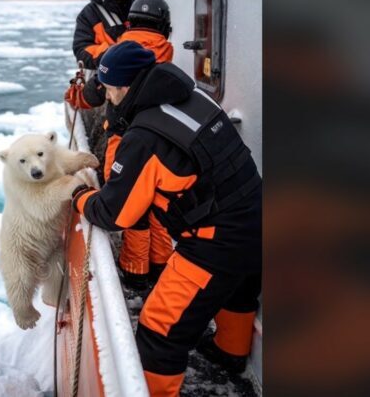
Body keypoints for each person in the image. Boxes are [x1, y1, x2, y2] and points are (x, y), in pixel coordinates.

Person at [70, 42, 263, 396]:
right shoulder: (193, 97)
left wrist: (80, 197)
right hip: (257, 215)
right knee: (238, 287)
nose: (108, 98)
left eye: (110, 89)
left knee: (159, 329)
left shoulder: (145, 137)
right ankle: (231, 352)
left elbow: (116, 214)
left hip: (217, 241)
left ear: (125, 87)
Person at [73, 0, 175, 290]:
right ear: (164, 26)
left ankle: (135, 274)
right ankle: (159, 267)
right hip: (159, 143)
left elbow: (91, 95)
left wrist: (74, 94)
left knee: (132, 210)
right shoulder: (164, 54)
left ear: (130, 21)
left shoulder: (116, 53)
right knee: (157, 208)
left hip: (124, 141)